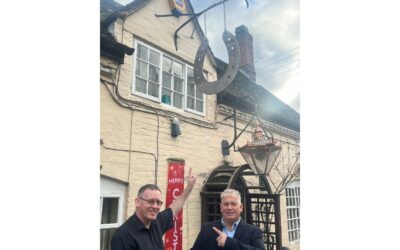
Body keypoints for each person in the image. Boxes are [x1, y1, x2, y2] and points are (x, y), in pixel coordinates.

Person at [111, 168, 197, 250]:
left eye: (158, 203)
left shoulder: (156, 222)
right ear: (137, 202)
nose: (155, 206)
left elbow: (174, 208)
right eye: (151, 201)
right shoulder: (123, 237)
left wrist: (189, 187)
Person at [191, 188, 266, 250]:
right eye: (226, 204)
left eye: (234, 204)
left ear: (241, 207)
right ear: (221, 207)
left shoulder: (253, 231)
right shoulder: (207, 229)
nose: (229, 208)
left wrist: (228, 242)